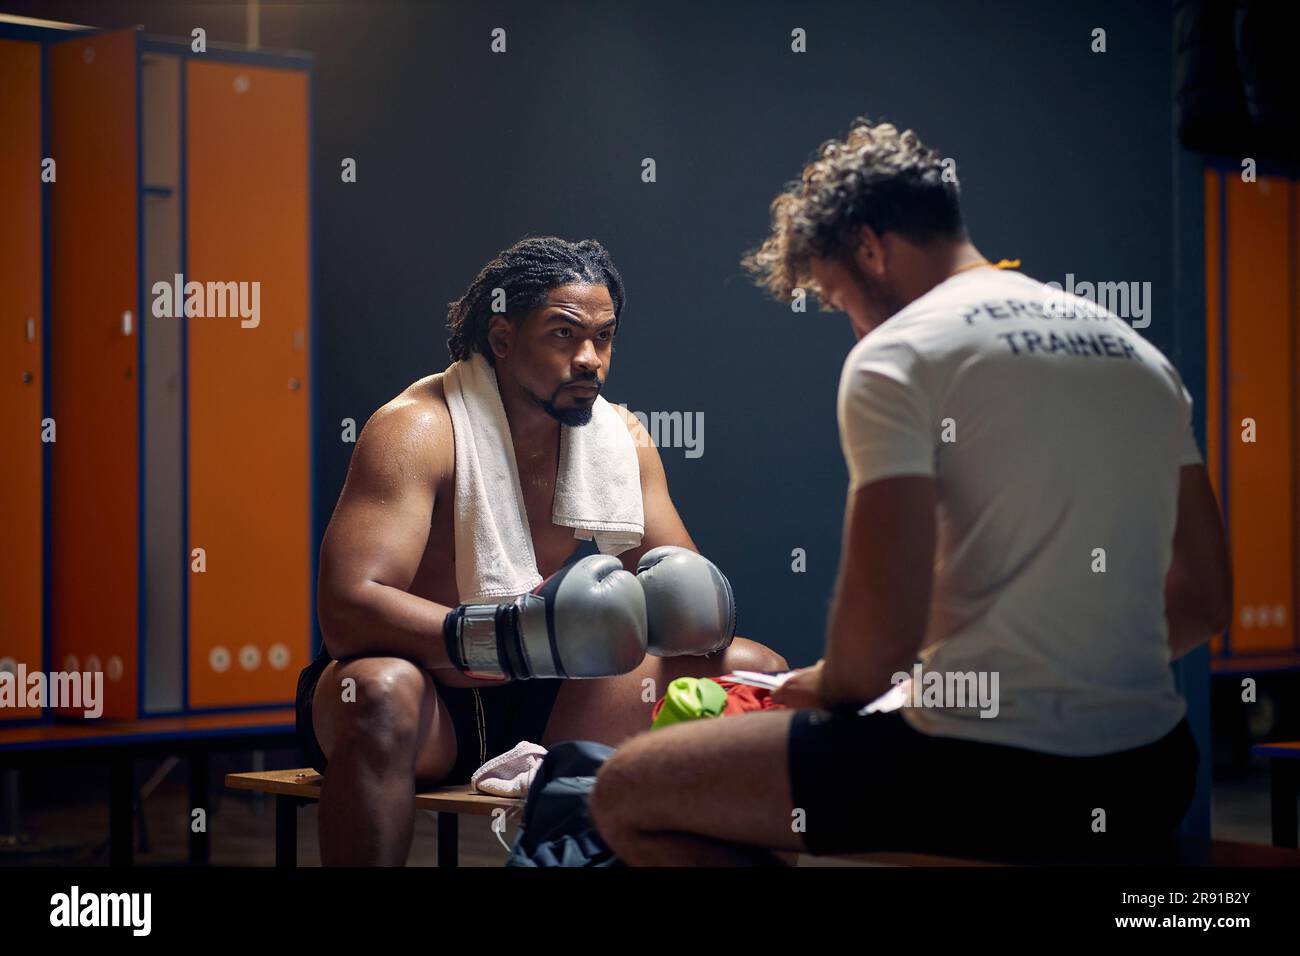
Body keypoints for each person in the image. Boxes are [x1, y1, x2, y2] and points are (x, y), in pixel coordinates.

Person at [588, 119, 1231, 865]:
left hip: (983, 773)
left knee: (627, 791)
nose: (853, 327)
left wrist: (815, 685)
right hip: (1149, 771)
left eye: (839, 299)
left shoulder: (898, 355)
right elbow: (1206, 598)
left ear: (869, 247)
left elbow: (874, 654)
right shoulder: (1136, 353)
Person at [296, 236, 787, 865]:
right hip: (423, 706)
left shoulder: (620, 440)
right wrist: (507, 635)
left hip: (539, 698)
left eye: (603, 338)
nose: (591, 360)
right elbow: (347, 611)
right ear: (502, 339)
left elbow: (687, 613)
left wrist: (699, 608)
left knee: (751, 669)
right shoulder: (418, 428)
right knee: (380, 690)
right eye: (564, 334)